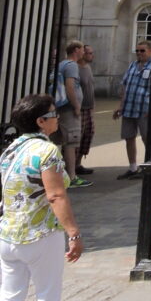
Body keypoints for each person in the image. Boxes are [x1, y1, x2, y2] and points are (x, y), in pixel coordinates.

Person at [0, 94, 83, 300]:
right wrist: (73, 233)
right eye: (54, 114)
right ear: (40, 121)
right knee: (48, 293)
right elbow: (55, 195)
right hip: (41, 233)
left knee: (10, 294)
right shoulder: (47, 150)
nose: (58, 118)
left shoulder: (11, 149)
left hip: (8, 234)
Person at [114, 39, 151, 180]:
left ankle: (149, 165)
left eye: (142, 50)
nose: (139, 53)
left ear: (150, 51)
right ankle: (132, 167)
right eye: (137, 51)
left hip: (144, 108)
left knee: (147, 138)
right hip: (129, 107)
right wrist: (120, 105)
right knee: (128, 137)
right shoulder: (132, 65)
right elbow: (124, 86)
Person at [54, 41, 90, 188]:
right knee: (71, 143)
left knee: (58, 141)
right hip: (68, 108)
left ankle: (58, 174)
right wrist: (76, 105)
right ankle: (71, 176)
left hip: (60, 108)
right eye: (82, 49)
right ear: (76, 50)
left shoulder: (62, 64)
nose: (83, 52)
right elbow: (70, 86)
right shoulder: (71, 65)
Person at [76, 44, 96, 177]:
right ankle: (71, 166)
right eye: (89, 53)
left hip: (89, 108)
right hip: (80, 108)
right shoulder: (75, 68)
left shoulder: (88, 67)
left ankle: (78, 164)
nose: (92, 56)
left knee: (87, 136)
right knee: (76, 138)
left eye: (92, 53)